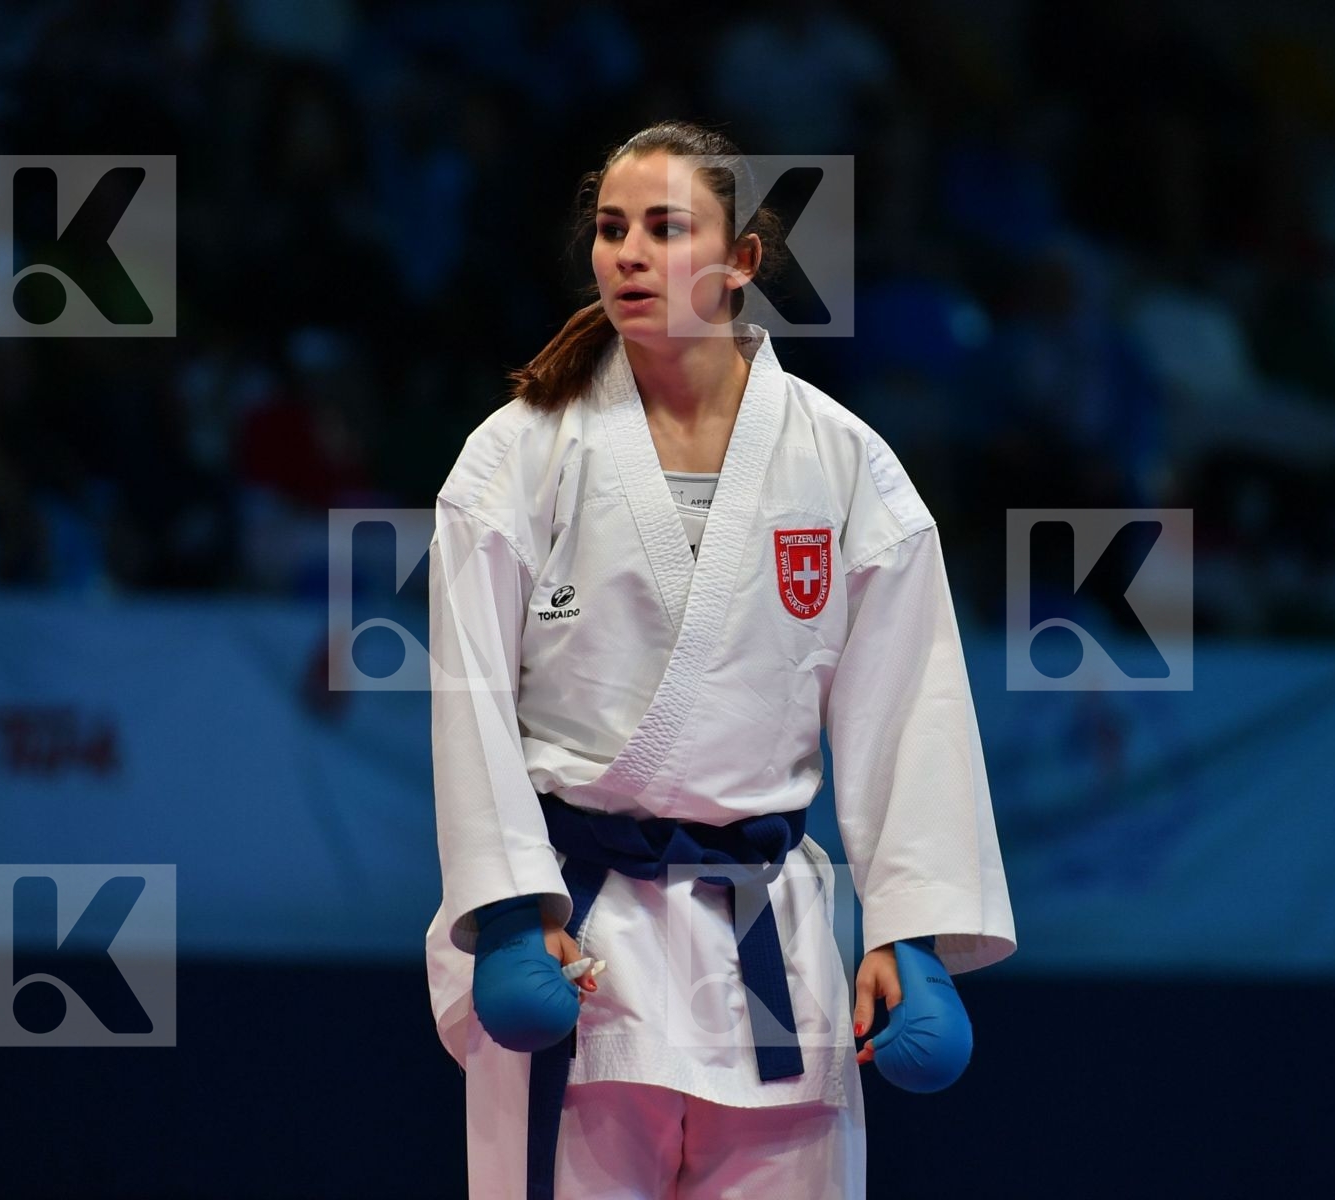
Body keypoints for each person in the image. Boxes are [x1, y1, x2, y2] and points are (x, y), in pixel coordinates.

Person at [423, 120, 1016, 1200]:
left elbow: (910, 700)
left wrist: (909, 930)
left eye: (665, 228)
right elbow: (465, 693)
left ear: (742, 260)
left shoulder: (840, 462)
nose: (629, 255)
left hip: (768, 943)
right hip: (577, 935)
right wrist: (510, 913)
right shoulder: (516, 454)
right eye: (611, 230)